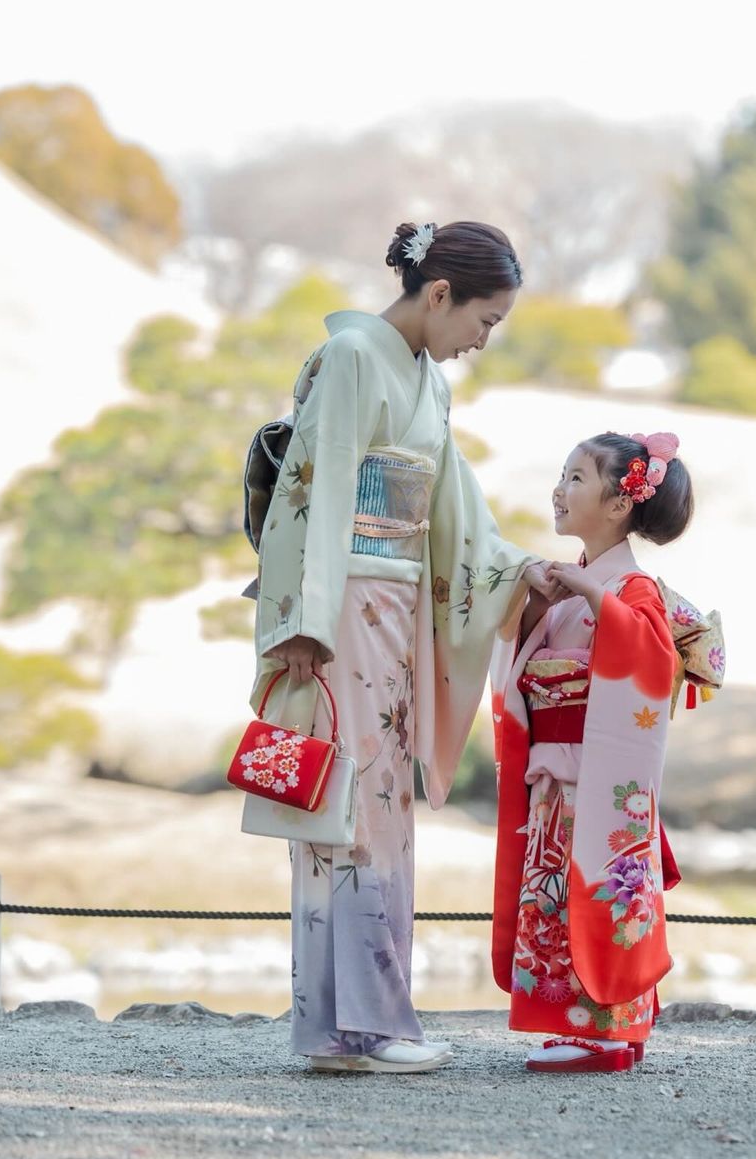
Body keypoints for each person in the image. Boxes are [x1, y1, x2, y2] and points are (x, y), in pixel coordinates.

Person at [250, 220, 549, 1074]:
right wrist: (305, 620)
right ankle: (361, 1028)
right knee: (349, 801)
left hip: (402, 602)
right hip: (341, 606)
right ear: (440, 293)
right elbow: (320, 484)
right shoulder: (350, 358)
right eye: (483, 322)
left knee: (381, 802)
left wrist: (519, 569)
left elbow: (457, 510)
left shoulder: (429, 385)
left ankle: (353, 1027)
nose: (481, 342)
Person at [490, 430, 717, 1073]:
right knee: (558, 898)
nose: (559, 491)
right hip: (556, 775)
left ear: (619, 504)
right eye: (561, 476)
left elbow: (650, 656)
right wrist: (538, 601)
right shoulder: (583, 580)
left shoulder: (632, 588)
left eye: (576, 479)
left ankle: (608, 1033)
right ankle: (583, 1027)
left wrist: (594, 598)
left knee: (597, 895)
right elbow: (522, 665)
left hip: (597, 777)